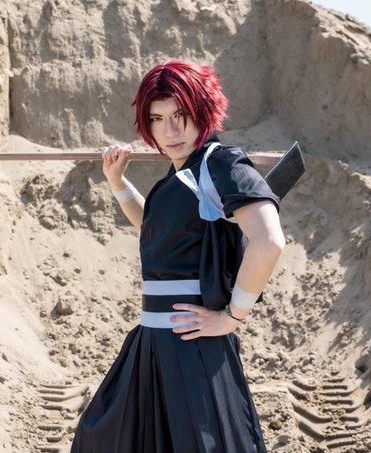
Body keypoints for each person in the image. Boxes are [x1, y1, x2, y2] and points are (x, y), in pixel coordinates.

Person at [70, 60, 284, 453]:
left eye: (180, 115)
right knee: (105, 437)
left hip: (192, 347)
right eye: (157, 119)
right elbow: (156, 230)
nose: (170, 131)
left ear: (204, 111)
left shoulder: (220, 162)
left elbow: (269, 241)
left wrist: (232, 316)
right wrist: (117, 183)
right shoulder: (183, 173)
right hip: (152, 343)